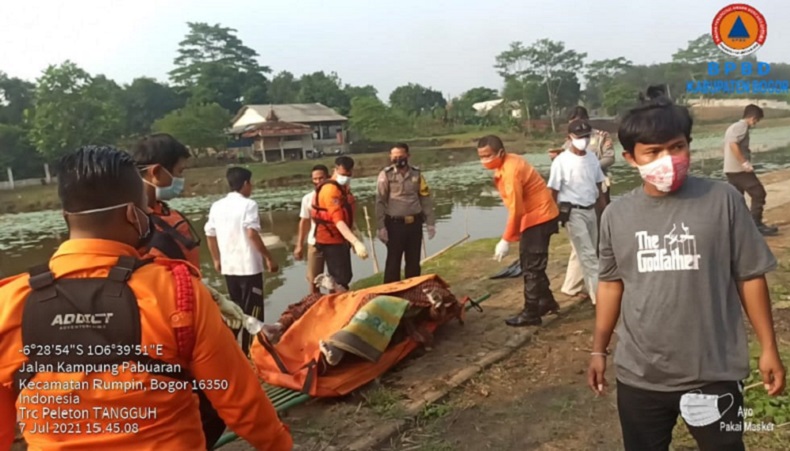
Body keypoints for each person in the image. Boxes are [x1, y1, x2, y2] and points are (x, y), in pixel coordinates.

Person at [0, 146, 292, 450]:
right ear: (132, 214)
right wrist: (280, 444)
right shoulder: (178, 292)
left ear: (66, 216)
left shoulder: (9, 302)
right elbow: (239, 401)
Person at [587, 91, 786, 451]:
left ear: (689, 146)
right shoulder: (616, 216)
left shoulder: (723, 200)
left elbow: (750, 276)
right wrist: (598, 350)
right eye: (654, 152)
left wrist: (768, 347)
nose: (669, 159)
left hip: (714, 372)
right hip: (641, 375)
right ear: (631, 158)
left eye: (677, 147)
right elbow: (611, 284)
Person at [132, 134, 245, 448]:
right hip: (163, 333)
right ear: (156, 172)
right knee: (210, 399)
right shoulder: (131, 223)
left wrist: (209, 294)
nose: (180, 180)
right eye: (178, 173)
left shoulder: (163, 214)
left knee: (209, 403)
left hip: (188, 317)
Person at [477, 135, 560, 327]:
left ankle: (531, 312)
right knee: (530, 263)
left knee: (531, 267)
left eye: (488, 155)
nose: (484, 160)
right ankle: (546, 301)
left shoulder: (511, 171)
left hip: (539, 217)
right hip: (535, 217)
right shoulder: (506, 163)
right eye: (481, 156)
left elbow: (517, 209)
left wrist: (505, 239)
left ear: (501, 152)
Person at [205, 167, 279, 356]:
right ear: (245, 183)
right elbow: (251, 233)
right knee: (253, 311)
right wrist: (268, 257)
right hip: (249, 266)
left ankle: (235, 351)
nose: (251, 187)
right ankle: (252, 352)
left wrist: (216, 259)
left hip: (229, 267)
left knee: (236, 311)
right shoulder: (248, 205)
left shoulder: (217, 206)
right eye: (250, 183)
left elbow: (210, 234)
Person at [559, 106, 616, 300]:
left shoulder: (601, 136)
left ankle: (575, 285)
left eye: (577, 122)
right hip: (574, 195)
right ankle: (591, 290)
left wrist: (589, 166)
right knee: (584, 244)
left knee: (596, 237)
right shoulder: (569, 140)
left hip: (597, 189)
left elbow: (610, 157)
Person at [547, 119, 605, 305]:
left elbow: (598, 184)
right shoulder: (561, 162)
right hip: (573, 213)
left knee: (582, 249)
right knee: (589, 255)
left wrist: (603, 211)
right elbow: (553, 191)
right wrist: (553, 217)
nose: (584, 140)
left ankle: (570, 286)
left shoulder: (591, 157)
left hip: (590, 210)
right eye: (579, 137)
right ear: (569, 138)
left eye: (587, 136)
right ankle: (599, 298)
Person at [375, 143, 437, 283]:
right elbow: (380, 201)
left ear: (408, 156)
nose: (398, 159)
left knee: (414, 261)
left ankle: (414, 292)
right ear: (390, 157)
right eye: (394, 156)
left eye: (401, 156)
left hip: (415, 223)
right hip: (395, 225)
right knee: (393, 261)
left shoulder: (417, 174)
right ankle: (391, 294)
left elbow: (425, 198)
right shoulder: (386, 175)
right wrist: (381, 226)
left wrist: (430, 223)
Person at [311, 156, 368, 291]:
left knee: (345, 275)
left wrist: (356, 233)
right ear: (335, 170)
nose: (345, 177)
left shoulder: (343, 187)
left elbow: (348, 215)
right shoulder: (330, 190)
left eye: (348, 175)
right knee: (341, 278)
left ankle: (334, 289)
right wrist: (355, 242)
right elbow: (338, 221)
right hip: (331, 238)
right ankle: (337, 298)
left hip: (341, 238)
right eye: (342, 174)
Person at [723, 104, 778, 236]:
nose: (756, 123)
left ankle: (738, 227)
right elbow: (733, 144)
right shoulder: (741, 127)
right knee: (759, 193)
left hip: (730, 169)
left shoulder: (733, 127)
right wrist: (744, 162)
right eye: (757, 120)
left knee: (737, 199)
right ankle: (756, 224)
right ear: (753, 117)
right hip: (739, 170)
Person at [294, 164, 329, 293]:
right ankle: (315, 306)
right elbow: (304, 221)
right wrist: (299, 245)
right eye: (315, 179)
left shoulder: (336, 196)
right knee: (313, 279)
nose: (318, 182)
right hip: (315, 242)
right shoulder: (308, 199)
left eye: (321, 178)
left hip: (334, 242)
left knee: (336, 279)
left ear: (328, 177)